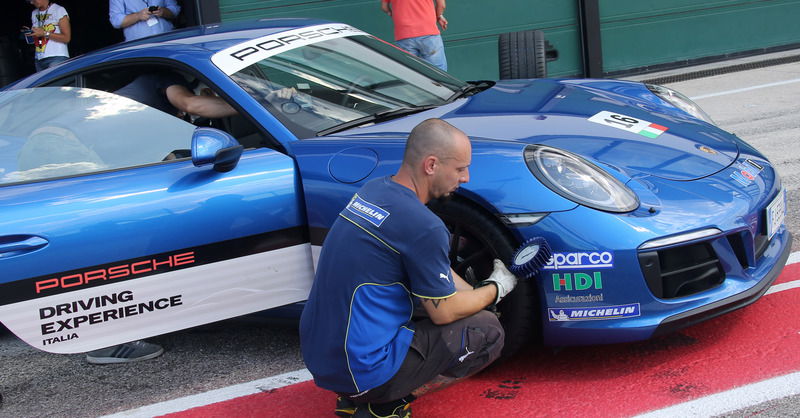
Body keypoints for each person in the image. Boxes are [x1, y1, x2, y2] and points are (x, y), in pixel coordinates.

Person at [300, 118, 518, 417]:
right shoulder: (423, 225)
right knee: (487, 330)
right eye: (459, 168)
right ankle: (384, 402)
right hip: (363, 370)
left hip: (322, 358)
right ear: (431, 165)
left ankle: (354, 395)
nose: (466, 178)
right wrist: (495, 290)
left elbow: (430, 266)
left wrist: (473, 292)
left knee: (421, 295)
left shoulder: (374, 191)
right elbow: (445, 312)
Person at [381, 0, 448, 71]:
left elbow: (384, 7)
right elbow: (441, 5)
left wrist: (392, 13)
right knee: (438, 72)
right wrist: (438, 16)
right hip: (428, 32)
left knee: (411, 72)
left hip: (404, 34)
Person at [26, 0, 71, 71]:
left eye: (33, 0)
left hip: (57, 57)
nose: (31, 2)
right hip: (39, 59)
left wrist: (44, 33)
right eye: (30, 1)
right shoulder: (34, 13)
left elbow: (66, 38)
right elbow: (38, 35)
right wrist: (30, 33)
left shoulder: (58, 10)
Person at [109, 0, 181, 42]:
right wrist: (138, 16)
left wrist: (163, 11)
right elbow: (116, 21)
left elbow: (175, 9)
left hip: (167, 41)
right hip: (139, 47)